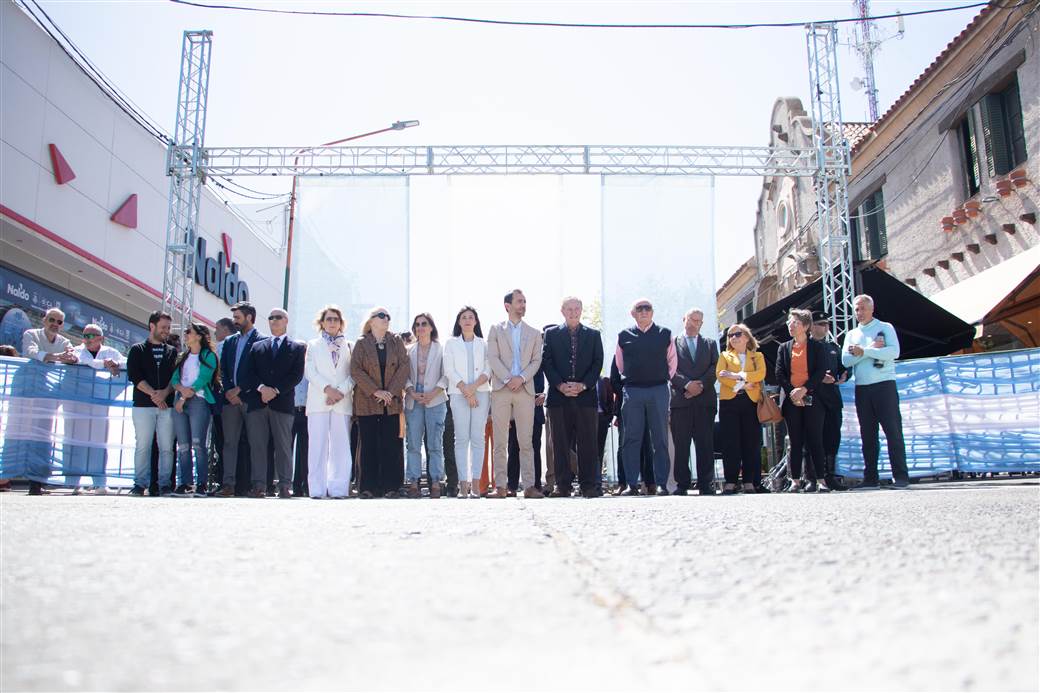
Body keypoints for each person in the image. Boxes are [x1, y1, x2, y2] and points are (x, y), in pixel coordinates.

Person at [841, 294, 910, 490]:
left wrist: (864, 351)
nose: (859, 313)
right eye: (856, 309)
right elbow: (846, 360)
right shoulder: (851, 334)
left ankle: (901, 476)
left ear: (872, 309)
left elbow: (893, 352)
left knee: (893, 431)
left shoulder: (885, 327)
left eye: (863, 308)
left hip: (884, 385)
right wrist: (868, 350)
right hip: (862, 387)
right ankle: (870, 477)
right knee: (868, 434)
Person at [239, 308, 306, 499]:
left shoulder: (296, 348)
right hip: (258, 402)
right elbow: (248, 373)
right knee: (258, 446)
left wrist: (275, 390)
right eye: (271, 318)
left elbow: (296, 375)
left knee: (283, 446)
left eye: (278, 317)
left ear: (286, 321)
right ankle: (259, 485)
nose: (274, 320)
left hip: (282, 403)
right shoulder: (257, 347)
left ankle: (284, 485)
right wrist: (262, 389)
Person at [542, 297, 604, 498]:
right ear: (562, 311)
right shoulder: (551, 334)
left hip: (585, 397)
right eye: (569, 309)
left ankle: (588, 486)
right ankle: (563, 486)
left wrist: (583, 385)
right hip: (559, 398)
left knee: (588, 444)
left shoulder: (593, 335)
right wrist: (560, 385)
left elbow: (597, 363)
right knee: (560, 444)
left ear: (581, 310)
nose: (573, 312)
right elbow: (547, 362)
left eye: (577, 308)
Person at [615, 299, 677, 496]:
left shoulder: (665, 334)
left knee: (660, 439)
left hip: (658, 390)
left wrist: (661, 379)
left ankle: (661, 484)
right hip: (633, 391)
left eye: (647, 308)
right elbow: (620, 364)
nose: (643, 311)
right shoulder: (624, 335)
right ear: (633, 313)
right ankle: (631, 484)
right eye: (639, 309)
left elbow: (672, 362)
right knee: (631, 439)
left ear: (652, 312)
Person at [486, 289, 545, 499]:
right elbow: (492, 357)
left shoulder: (535, 333)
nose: (523, 305)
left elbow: (536, 361)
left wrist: (521, 378)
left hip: (525, 390)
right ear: (507, 306)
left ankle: (529, 486)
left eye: (525, 301)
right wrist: (508, 378)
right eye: (519, 301)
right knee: (500, 441)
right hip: (501, 390)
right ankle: (500, 486)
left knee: (526, 441)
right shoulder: (495, 330)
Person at [351, 307, 409, 499]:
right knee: (368, 444)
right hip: (367, 400)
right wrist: (376, 391)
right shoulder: (361, 343)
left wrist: (390, 392)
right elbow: (355, 370)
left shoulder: (396, 341)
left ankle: (391, 487)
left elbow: (404, 366)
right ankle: (368, 487)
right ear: (371, 320)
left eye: (388, 316)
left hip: (391, 402)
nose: (386, 319)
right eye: (382, 315)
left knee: (391, 445)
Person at [216, 301, 268, 497]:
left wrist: (241, 390)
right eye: (234, 317)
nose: (234, 321)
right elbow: (224, 369)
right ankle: (228, 484)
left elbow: (260, 372)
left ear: (249, 317)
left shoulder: (262, 341)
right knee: (229, 443)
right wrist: (230, 390)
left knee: (257, 443)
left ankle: (259, 486)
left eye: (238, 317)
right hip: (230, 401)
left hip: (252, 401)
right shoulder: (229, 342)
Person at [775, 309, 829, 493]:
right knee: (795, 440)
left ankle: (821, 479)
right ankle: (795, 480)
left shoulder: (817, 347)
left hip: (812, 397)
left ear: (806, 326)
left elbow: (820, 371)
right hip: (792, 400)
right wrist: (793, 392)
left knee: (815, 439)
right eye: (789, 323)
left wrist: (804, 389)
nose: (790, 326)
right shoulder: (784, 348)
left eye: (795, 323)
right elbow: (779, 373)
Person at [67, 324, 126, 494]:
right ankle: (74, 483)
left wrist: (116, 364)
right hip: (77, 404)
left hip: (100, 404)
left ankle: (100, 484)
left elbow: (126, 363)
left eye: (91, 336)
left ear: (101, 338)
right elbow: (83, 361)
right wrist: (103, 364)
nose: (87, 339)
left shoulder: (111, 352)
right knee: (75, 443)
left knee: (99, 444)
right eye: (85, 335)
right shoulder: (77, 350)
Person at [304, 305, 354, 499]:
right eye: (329, 319)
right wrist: (328, 389)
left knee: (341, 447)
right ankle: (316, 489)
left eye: (336, 319)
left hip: (342, 401)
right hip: (319, 401)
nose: (332, 322)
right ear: (322, 323)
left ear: (341, 323)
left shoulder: (349, 346)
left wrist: (340, 391)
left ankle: (338, 488)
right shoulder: (313, 345)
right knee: (317, 445)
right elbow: (310, 371)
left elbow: (354, 373)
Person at [125, 311, 178, 496]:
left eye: (168, 328)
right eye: (163, 327)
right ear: (152, 326)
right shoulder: (137, 349)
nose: (166, 331)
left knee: (167, 447)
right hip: (143, 406)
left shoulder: (172, 351)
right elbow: (135, 376)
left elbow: (175, 378)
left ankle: (165, 485)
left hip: (167, 406)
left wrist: (164, 393)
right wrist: (154, 395)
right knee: (143, 446)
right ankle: (139, 484)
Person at [442, 306, 491, 499]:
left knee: (478, 438)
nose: (468, 320)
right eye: (464, 317)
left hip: (481, 393)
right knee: (461, 438)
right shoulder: (451, 344)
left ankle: (476, 485)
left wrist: (474, 388)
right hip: (458, 393)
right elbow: (449, 370)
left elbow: (488, 369)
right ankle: (463, 485)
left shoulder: (484, 344)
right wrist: (466, 390)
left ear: (476, 321)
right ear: (459, 322)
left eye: (471, 317)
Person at [669, 308, 719, 496]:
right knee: (681, 445)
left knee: (705, 444)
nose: (694, 323)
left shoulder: (710, 344)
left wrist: (700, 386)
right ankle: (682, 484)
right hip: (681, 401)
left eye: (698, 321)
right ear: (684, 319)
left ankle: (706, 484)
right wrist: (687, 385)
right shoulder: (673, 343)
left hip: (705, 402)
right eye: (691, 319)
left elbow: (715, 367)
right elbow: (670, 369)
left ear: (702, 323)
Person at [170, 322, 220, 497]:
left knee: (198, 444)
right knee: (183, 445)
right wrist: (180, 391)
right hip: (180, 401)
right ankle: (185, 483)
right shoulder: (183, 356)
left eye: (188, 332)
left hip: (198, 401)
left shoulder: (209, 356)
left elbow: (203, 379)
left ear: (199, 336)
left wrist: (183, 397)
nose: (185, 335)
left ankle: (202, 484)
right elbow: (175, 379)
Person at [716, 323, 766, 495]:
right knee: (730, 442)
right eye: (730, 335)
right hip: (729, 401)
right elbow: (721, 375)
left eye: (737, 334)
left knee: (750, 442)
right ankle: (730, 481)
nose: (733, 338)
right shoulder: (724, 355)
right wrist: (743, 385)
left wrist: (737, 376)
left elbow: (760, 374)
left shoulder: (757, 356)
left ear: (746, 337)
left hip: (751, 402)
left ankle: (749, 481)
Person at [404, 313, 449, 499]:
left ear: (431, 327)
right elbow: (403, 375)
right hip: (414, 400)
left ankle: (436, 482)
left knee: (435, 444)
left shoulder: (441, 349)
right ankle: (413, 482)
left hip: (435, 400)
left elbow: (446, 375)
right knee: (413, 443)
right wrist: (411, 391)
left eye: (424, 324)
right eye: (417, 324)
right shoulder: (408, 351)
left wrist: (433, 393)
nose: (420, 327)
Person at [810, 311, 848, 491]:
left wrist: (845, 374)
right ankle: (813, 477)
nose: (825, 327)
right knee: (813, 439)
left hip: (832, 398)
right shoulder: (806, 346)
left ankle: (830, 475)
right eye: (821, 324)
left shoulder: (833, 347)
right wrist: (819, 378)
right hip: (814, 397)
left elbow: (842, 367)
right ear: (811, 326)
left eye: (827, 324)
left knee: (833, 437)